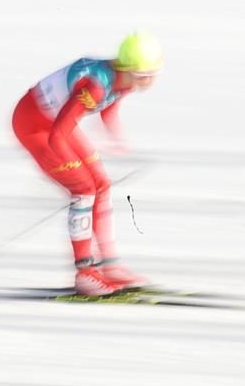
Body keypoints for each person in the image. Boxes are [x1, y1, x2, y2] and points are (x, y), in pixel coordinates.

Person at [11, 31, 163, 295]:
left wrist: (116, 139)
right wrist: (72, 174)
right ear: (127, 68)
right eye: (143, 76)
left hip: (52, 123)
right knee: (84, 189)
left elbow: (109, 105)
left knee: (101, 184)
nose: (148, 82)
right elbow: (59, 133)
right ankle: (84, 274)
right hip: (34, 124)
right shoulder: (95, 85)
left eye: (153, 74)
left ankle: (110, 265)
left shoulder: (125, 80)